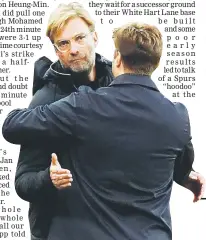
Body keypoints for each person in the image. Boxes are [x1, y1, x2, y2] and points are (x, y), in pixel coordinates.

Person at [2, 22, 204, 240]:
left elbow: (12, 126)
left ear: (117, 57)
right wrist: (185, 176)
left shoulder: (85, 106)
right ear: (156, 62)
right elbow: (177, 160)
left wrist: (43, 85)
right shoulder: (177, 117)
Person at [12, 2, 113, 240]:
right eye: (64, 43)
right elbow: (22, 181)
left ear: (95, 37)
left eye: (79, 38)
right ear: (56, 51)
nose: (74, 49)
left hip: (110, 226)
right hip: (59, 229)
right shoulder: (44, 101)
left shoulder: (118, 83)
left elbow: (153, 124)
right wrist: (48, 178)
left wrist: (184, 173)